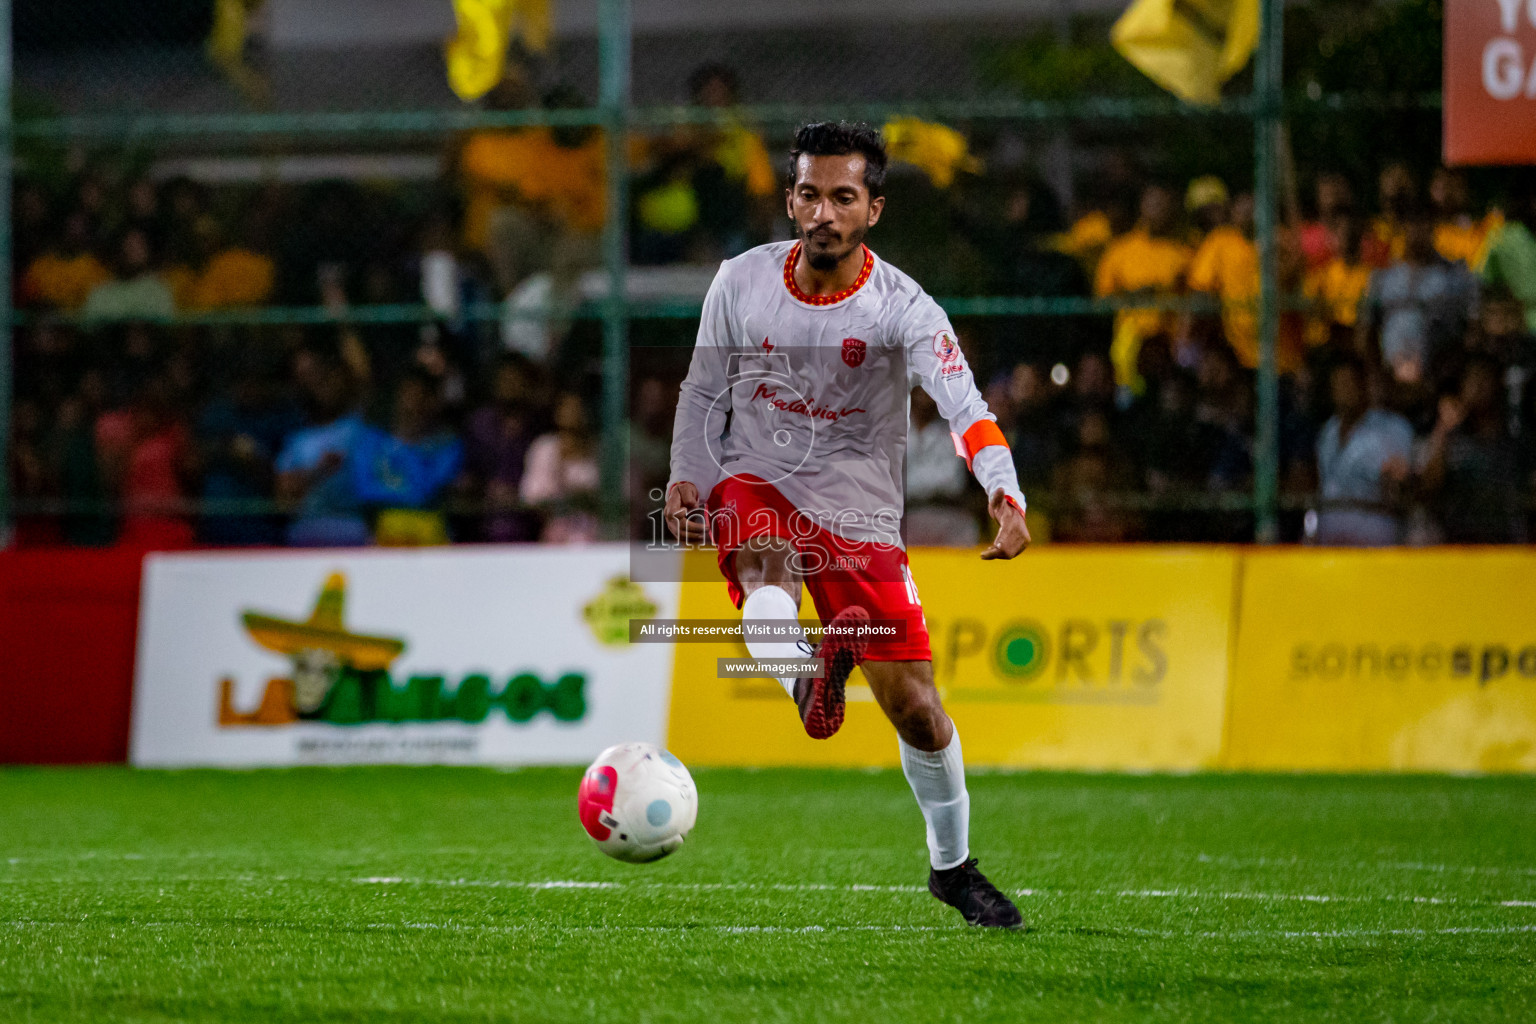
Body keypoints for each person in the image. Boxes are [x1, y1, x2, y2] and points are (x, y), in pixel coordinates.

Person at [664, 122, 1029, 929]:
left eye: (843, 197)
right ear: (789, 200)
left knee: (918, 712)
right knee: (763, 558)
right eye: (809, 194)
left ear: (874, 210)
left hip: (860, 514)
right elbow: (701, 391)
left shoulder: (904, 308)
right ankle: (804, 680)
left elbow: (965, 408)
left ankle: (953, 869)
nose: (823, 212)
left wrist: (1006, 493)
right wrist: (687, 476)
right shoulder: (741, 281)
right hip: (755, 478)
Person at [1093, 184, 1193, 393]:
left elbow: (1191, 302)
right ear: (1142, 206)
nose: (1159, 210)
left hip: (1169, 347)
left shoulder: (1183, 252)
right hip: (1129, 348)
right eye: (1153, 204)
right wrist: (1133, 296)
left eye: (1164, 205)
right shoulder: (1120, 250)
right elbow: (1101, 302)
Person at [1418, 356, 1526, 543]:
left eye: (1484, 379)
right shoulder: (1452, 439)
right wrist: (1444, 430)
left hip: (1507, 545)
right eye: (1472, 380)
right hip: (1458, 545)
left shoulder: (1515, 441)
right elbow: (1428, 486)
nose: (1478, 387)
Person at [1313, 359, 1413, 546]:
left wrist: (1395, 480)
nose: (1343, 391)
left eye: (1348, 383)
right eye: (1338, 385)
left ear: (1363, 386)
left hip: (1374, 540)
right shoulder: (1328, 432)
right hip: (1329, 542)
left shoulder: (1392, 428)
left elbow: (1401, 488)